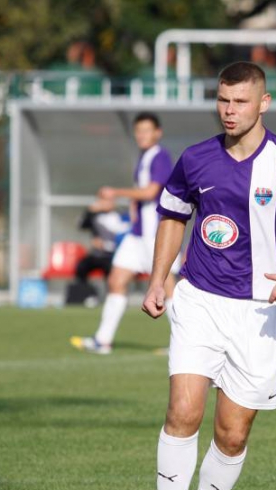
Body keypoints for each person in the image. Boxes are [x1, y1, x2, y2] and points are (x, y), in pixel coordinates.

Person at [142, 62, 276, 490]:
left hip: (258, 312)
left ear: (263, 103)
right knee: (183, 410)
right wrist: (159, 279)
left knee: (231, 435)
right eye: (223, 100)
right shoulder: (195, 159)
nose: (229, 110)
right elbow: (173, 217)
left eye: (240, 101)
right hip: (199, 299)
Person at [70, 112, 179, 355]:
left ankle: (185, 344)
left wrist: (116, 192)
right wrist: (131, 207)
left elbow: (151, 192)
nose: (141, 135)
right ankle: (102, 340)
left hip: (154, 235)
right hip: (137, 234)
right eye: (138, 131)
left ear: (157, 133)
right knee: (116, 280)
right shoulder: (144, 157)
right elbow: (141, 194)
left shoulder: (160, 156)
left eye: (146, 130)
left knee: (167, 288)